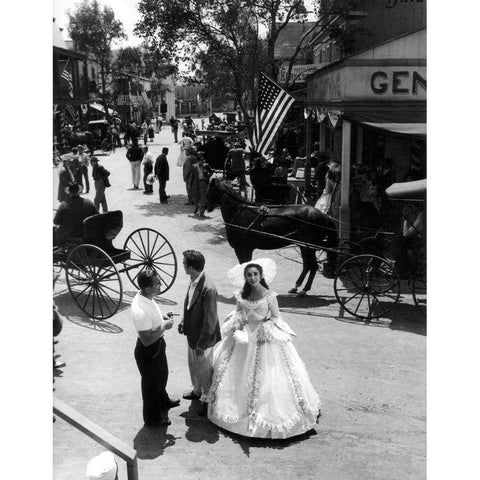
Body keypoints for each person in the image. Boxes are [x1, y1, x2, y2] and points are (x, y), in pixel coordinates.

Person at [207, 259, 321, 438]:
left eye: (255, 275)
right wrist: (238, 322)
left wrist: (264, 328)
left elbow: (276, 317)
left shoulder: (270, 296)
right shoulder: (241, 294)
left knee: (269, 377)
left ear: (261, 276)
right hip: (243, 336)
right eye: (249, 275)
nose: (252, 278)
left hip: (263, 336)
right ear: (245, 277)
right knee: (233, 371)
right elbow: (238, 312)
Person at [131, 270, 180, 427]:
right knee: (151, 386)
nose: (161, 285)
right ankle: (152, 419)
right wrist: (164, 326)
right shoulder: (141, 311)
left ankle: (164, 401)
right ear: (147, 288)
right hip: (150, 350)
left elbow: (152, 320)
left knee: (162, 376)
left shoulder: (145, 297)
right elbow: (146, 340)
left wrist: (161, 318)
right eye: (157, 283)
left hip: (157, 347)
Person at [178, 250, 221, 416]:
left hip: (202, 338)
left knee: (204, 370)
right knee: (193, 365)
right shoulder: (194, 279)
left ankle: (206, 398)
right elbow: (189, 302)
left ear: (191, 267)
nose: (182, 265)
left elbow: (210, 320)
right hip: (192, 334)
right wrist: (184, 320)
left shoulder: (208, 288)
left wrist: (202, 344)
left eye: (184, 263)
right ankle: (196, 391)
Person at [53, 183, 98, 248]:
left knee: (54, 231)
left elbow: (56, 221)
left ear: (69, 193)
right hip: (87, 234)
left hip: (71, 236)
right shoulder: (88, 202)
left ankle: (61, 250)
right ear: (78, 191)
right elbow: (97, 216)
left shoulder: (64, 205)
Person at [189, 153, 212, 218]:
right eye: (201, 160)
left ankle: (202, 212)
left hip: (203, 182)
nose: (202, 161)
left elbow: (211, 172)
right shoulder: (194, 166)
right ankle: (196, 207)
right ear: (198, 161)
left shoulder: (206, 165)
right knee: (196, 196)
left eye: (203, 160)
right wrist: (190, 184)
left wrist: (207, 177)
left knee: (203, 197)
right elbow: (192, 176)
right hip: (196, 182)